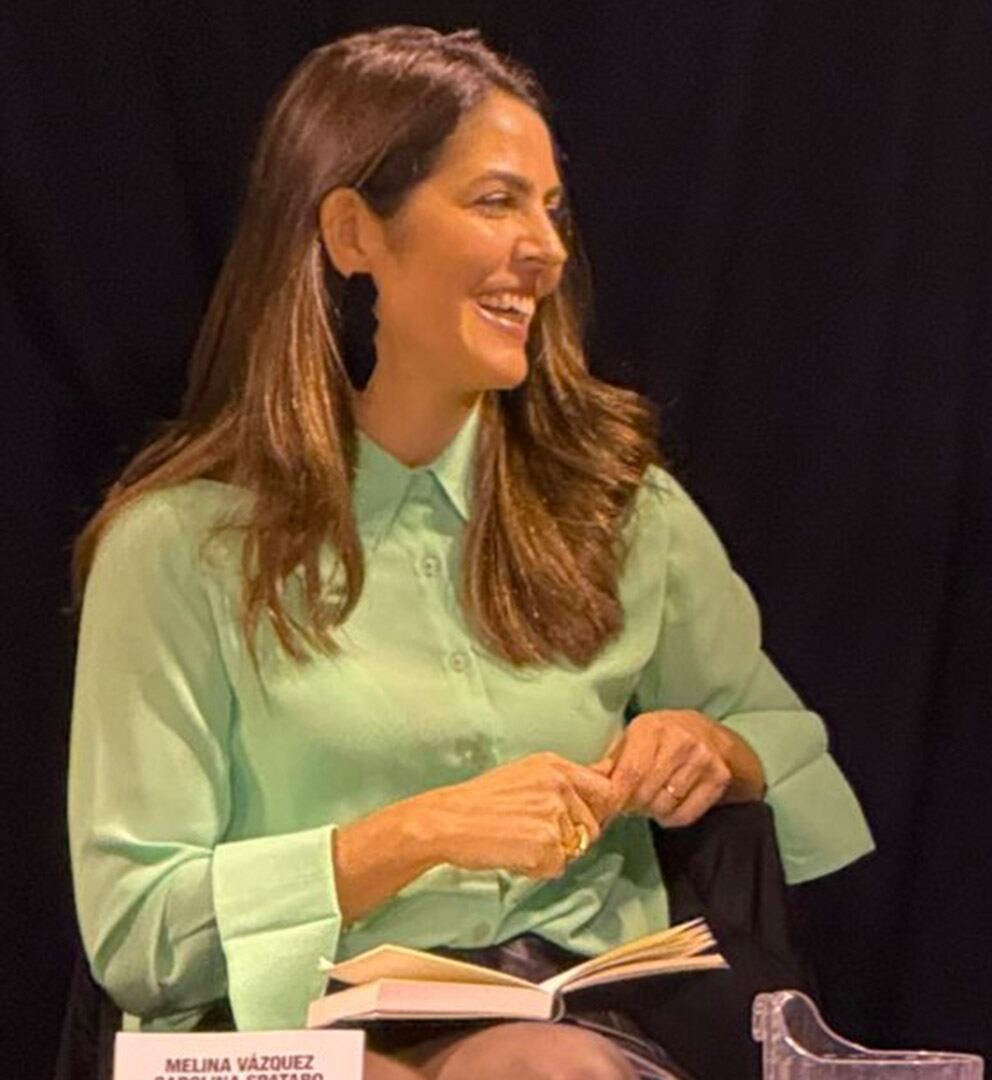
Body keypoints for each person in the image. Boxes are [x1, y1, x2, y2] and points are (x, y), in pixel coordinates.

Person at [67, 26, 873, 1079]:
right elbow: (136, 930)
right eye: (496, 202)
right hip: (272, 1036)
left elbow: (800, 770)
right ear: (354, 233)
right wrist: (417, 834)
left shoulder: (623, 514)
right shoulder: (178, 549)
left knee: (542, 1070)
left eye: (551, 208)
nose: (544, 247)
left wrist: (716, 752)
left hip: (579, 1016)